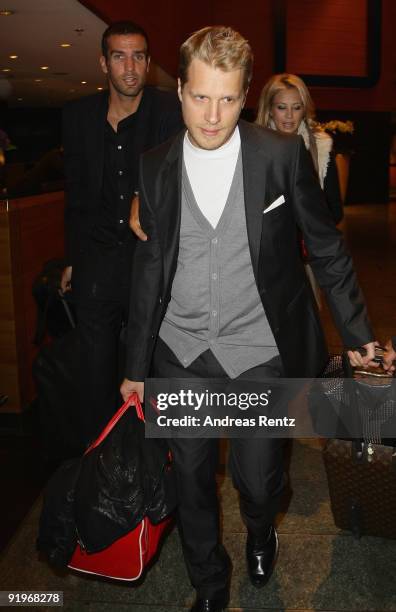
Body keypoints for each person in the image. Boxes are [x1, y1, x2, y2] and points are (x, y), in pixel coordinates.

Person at [121, 26, 376, 612]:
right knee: (190, 481)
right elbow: (150, 267)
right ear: (180, 89)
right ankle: (209, 582)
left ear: (245, 95)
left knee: (259, 481)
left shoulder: (281, 154)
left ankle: (262, 530)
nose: (212, 116)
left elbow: (327, 246)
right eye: (200, 97)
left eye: (228, 99)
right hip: (180, 351)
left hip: (258, 348)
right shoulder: (154, 164)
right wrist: (136, 365)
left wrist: (358, 334)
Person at [61, 20, 182, 447]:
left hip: (148, 262)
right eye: (119, 56)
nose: (129, 67)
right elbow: (75, 196)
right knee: (94, 376)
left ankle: (155, 465)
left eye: (138, 56)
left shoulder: (168, 112)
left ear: (148, 64)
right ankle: (101, 467)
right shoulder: (77, 117)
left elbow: (174, 174)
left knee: (150, 371)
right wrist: (72, 258)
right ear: (103, 63)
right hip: (96, 264)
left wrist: (140, 194)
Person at [256, 73, 343, 224]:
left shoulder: (321, 146)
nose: (289, 115)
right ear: (269, 109)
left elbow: (335, 211)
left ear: (304, 110)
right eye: (282, 107)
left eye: (296, 108)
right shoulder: (253, 146)